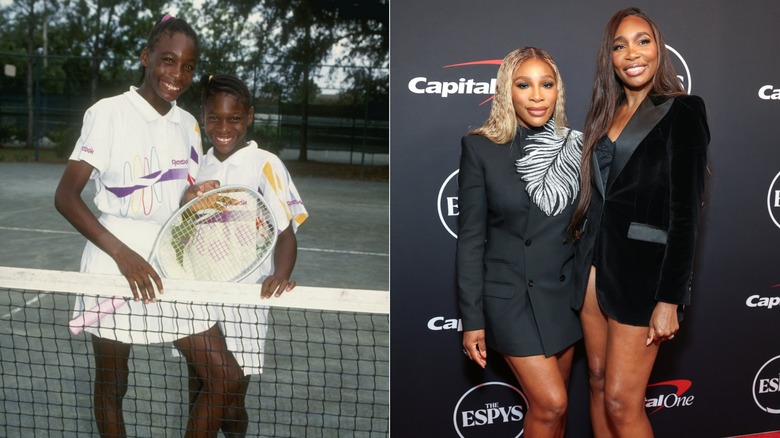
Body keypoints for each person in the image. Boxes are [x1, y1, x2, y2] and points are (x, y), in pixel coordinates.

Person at [54, 14, 236, 437]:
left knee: (224, 375)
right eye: (168, 60)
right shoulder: (108, 113)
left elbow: (179, 197)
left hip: (170, 259)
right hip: (113, 261)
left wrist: (193, 197)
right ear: (145, 57)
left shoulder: (188, 125)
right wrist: (124, 256)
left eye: (188, 66)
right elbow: (66, 196)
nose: (178, 74)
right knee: (113, 382)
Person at [569, 7, 710, 437]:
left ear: (658, 48)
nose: (632, 53)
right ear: (609, 57)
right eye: (620, 45)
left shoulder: (683, 110)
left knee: (621, 401)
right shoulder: (603, 116)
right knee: (596, 383)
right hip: (593, 270)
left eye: (642, 41)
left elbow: (686, 214)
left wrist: (670, 299)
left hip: (643, 278)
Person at [457, 47, 583, 438]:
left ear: (558, 90)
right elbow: (471, 240)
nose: (537, 96)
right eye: (524, 85)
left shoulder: (577, 146)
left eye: (547, 84)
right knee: (552, 403)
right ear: (506, 91)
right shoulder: (480, 148)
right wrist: (472, 319)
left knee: (557, 411)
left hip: (562, 297)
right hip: (510, 298)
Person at [183, 73, 308, 436]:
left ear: (249, 116)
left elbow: (285, 234)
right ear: (203, 117)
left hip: (246, 299)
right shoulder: (195, 166)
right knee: (200, 389)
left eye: (234, 118)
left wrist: (280, 274)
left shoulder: (265, 164)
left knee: (231, 398)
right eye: (214, 118)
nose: (224, 128)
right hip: (197, 295)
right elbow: (181, 226)